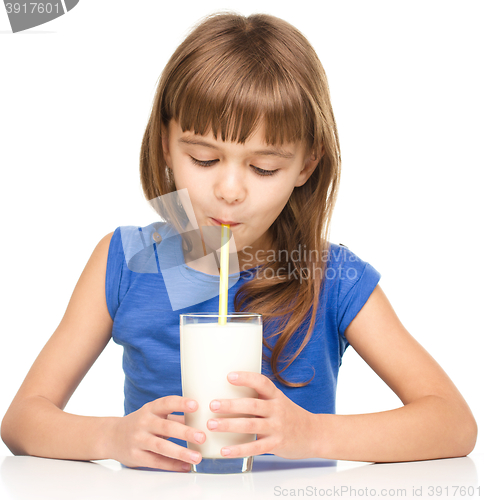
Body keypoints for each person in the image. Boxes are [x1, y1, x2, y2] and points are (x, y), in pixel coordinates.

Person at [1, 12, 477, 472]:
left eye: (264, 168)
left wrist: (310, 435)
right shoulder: (127, 262)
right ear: (166, 143)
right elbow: (22, 421)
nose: (230, 191)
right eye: (204, 158)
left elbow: (453, 424)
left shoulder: (331, 278)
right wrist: (110, 437)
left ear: (306, 165)